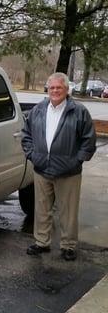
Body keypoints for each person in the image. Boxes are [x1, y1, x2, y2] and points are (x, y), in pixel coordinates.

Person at [22, 72, 96, 261]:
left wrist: (77, 160)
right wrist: (32, 155)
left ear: (66, 89)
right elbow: (26, 134)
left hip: (68, 172)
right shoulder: (38, 110)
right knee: (42, 209)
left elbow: (89, 140)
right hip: (42, 169)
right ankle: (41, 242)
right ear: (48, 89)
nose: (55, 91)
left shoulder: (78, 111)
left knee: (68, 211)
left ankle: (68, 245)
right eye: (52, 87)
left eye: (59, 88)